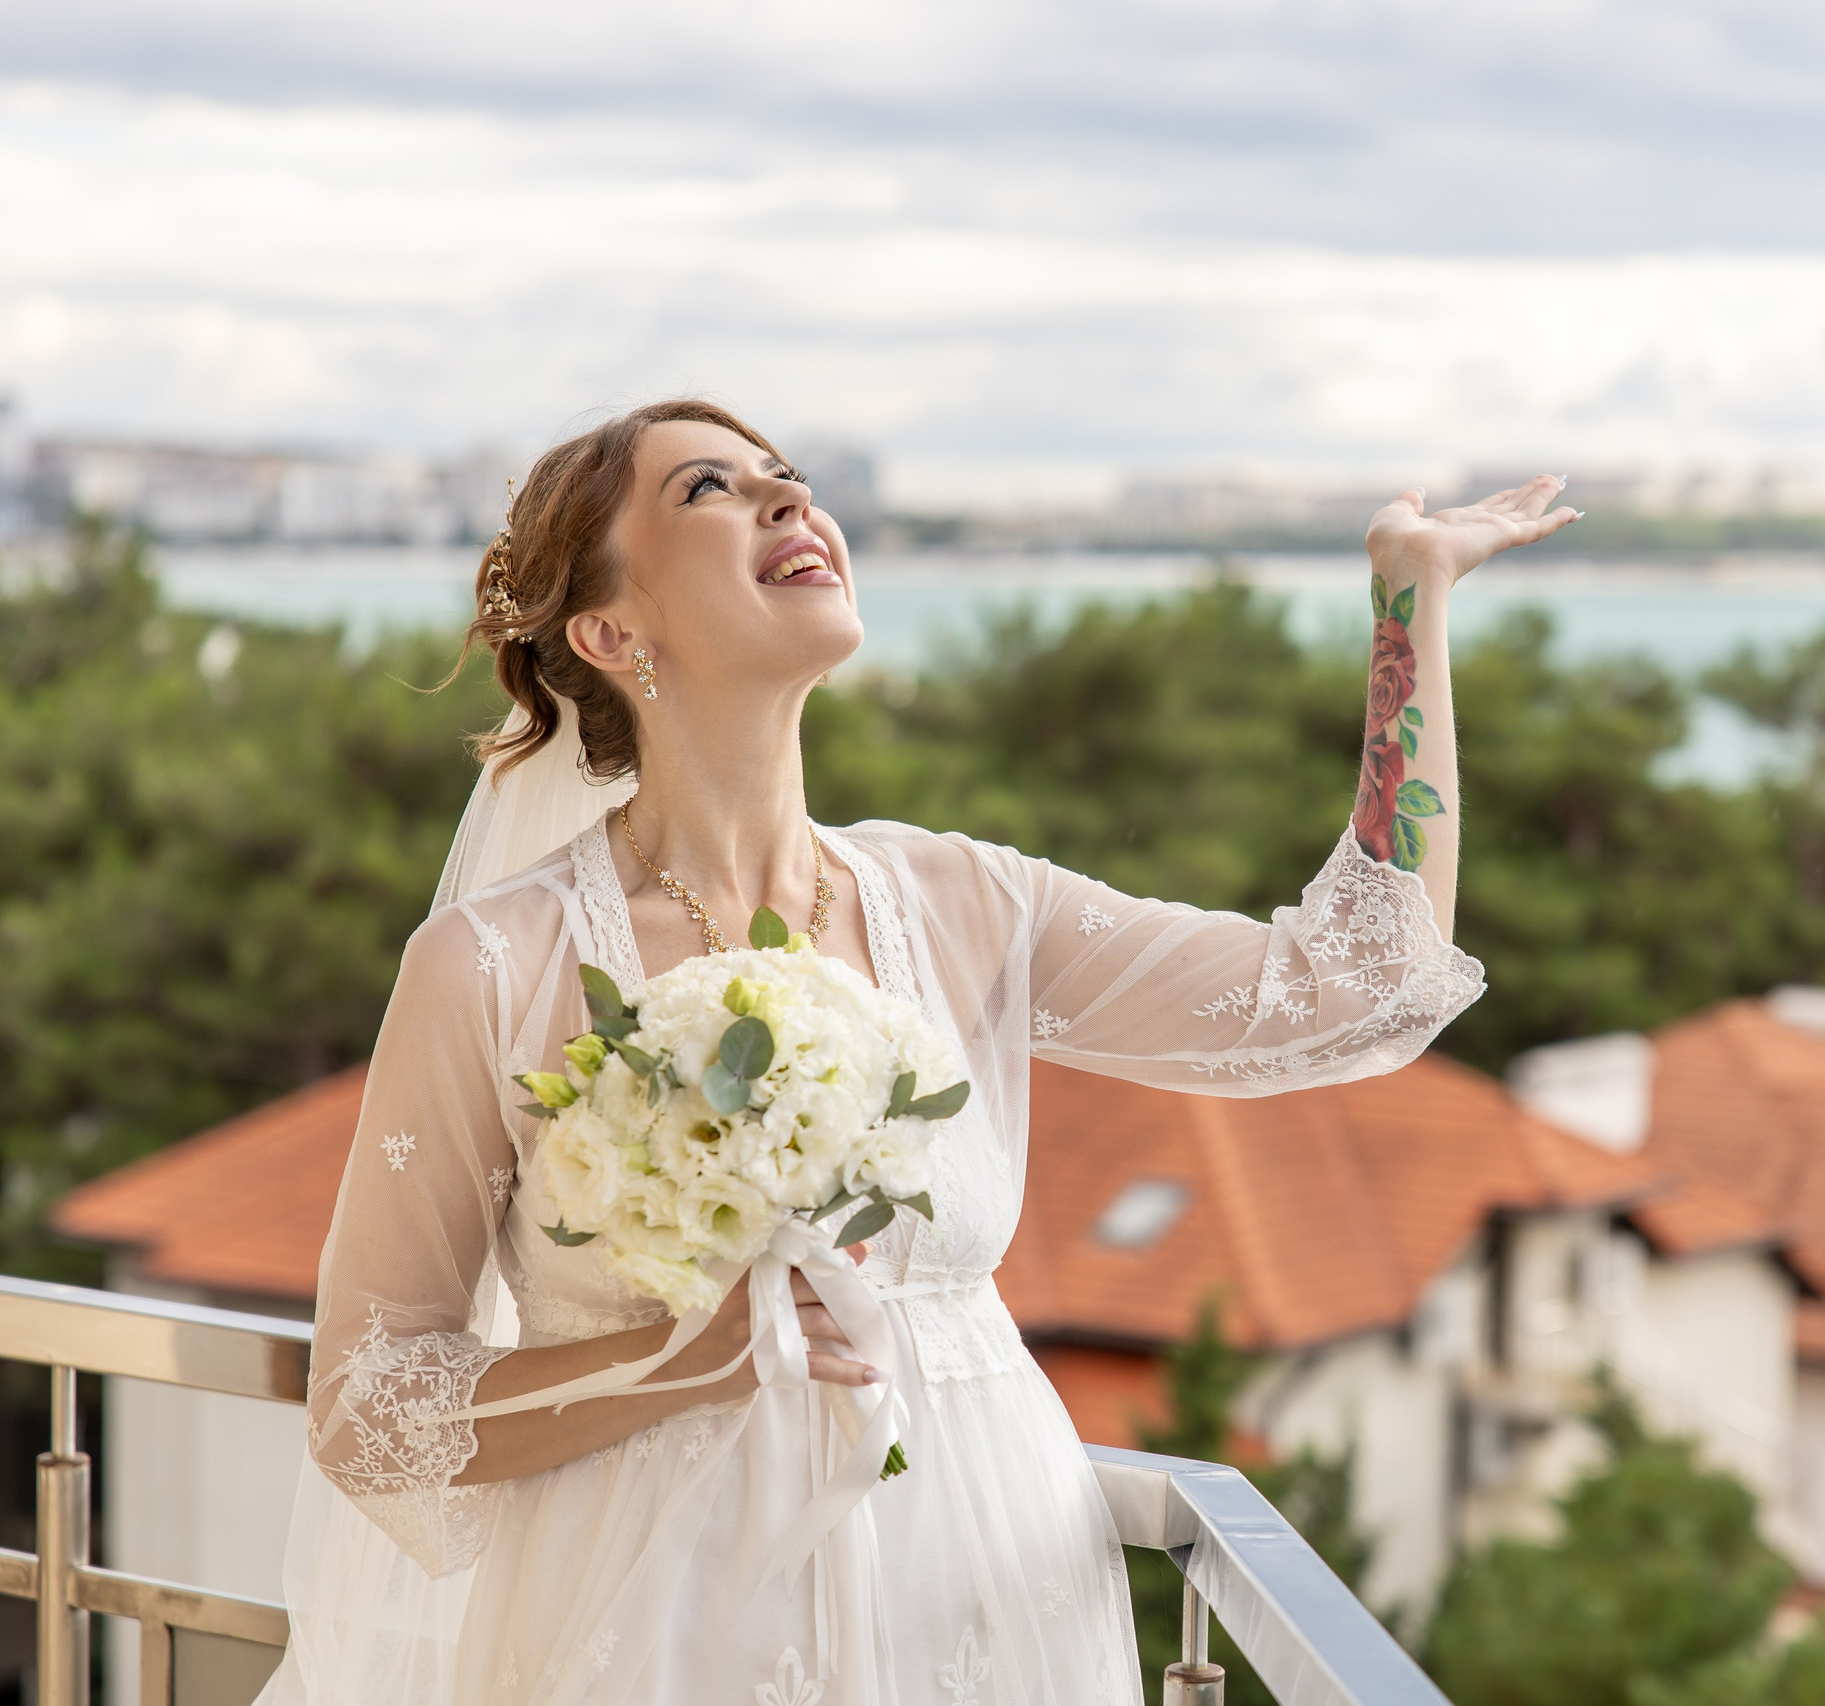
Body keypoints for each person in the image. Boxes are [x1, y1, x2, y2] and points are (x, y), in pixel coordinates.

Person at [257, 398, 1577, 1706]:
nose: (788, 501)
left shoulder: (967, 904)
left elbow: (1360, 987)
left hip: (990, 1602)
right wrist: (676, 1362)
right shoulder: (496, 963)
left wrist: (1411, 602)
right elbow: (369, 1406)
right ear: (610, 630)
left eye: (790, 477)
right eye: (709, 490)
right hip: (660, 1627)